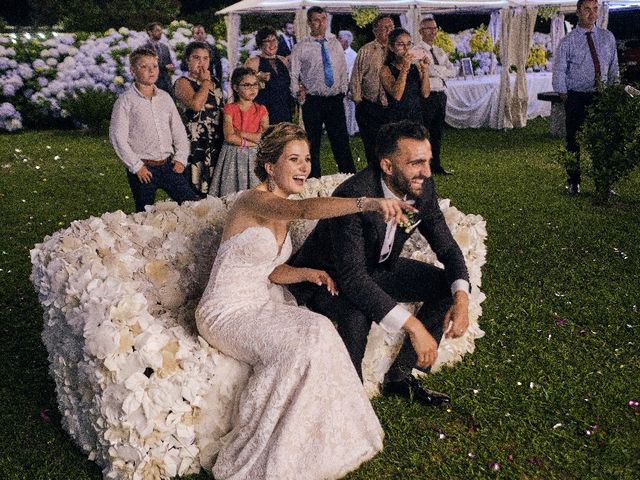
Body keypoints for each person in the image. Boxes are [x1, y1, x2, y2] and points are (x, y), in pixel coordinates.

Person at [195, 122, 417, 479]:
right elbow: (304, 211)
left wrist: (307, 273)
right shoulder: (252, 201)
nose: (304, 168)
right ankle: (266, 451)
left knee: (320, 328)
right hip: (224, 313)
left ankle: (323, 434)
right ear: (269, 166)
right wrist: (369, 202)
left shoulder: (279, 205)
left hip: (259, 302)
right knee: (299, 345)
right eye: (294, 160)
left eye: (308, 159)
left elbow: (270, 270)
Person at [289, 120, 470, 405]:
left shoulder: (422, 187)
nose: (426, 171)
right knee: (356, 310)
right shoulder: (353, 194)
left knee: (445, 287)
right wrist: (414, 326)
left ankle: (399, 378)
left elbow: (447, 248)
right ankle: (350, 399)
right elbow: (352, 279)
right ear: (387, 166)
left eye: (428, 161)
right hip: (325, 278)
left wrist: (461, 299)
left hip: (376, 269)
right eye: (416, 163)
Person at [109, 48, 199, 212]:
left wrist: (180, 158)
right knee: (144, 213)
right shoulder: (125, 101)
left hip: (169, 165)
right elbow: (117, 138)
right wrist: (137, 167)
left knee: (192, 204)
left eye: (155, 66)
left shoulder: (165, 98)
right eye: (144, 67)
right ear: (133, 71)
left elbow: (178, 130)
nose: (151, 71)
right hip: (144, 169)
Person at [552, 0, 619, 195]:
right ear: (579, 12)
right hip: (576, 97)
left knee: (604, 140)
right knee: (573, 140)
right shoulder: (568, 41)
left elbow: (613, 66)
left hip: (602, 96)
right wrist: (565, 95)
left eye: (595, 9)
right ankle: (574, 182)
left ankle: (604, 182)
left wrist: (613, 91)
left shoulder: (607, 38)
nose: (592, 14)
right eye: (587, 10)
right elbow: (559, 70)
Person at [289, 6, 356, 178]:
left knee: (341, 142)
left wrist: (342, 91)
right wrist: (298, 93)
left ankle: (348, 176)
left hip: (335, 100)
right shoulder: (301, 47)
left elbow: (342, 70)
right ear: (309, 22)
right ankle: (313, 180)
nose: (321, 24)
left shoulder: (335, 44)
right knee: (312, 144)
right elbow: (293, 74)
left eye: (323, 19)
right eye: (316, 20)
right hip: (313, 100)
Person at [174, 42, 224, 197]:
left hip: (215, 137)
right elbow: (196, 105)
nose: (201, 63)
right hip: (195, 140)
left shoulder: (215, 81)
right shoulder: (182, 82)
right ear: (188, 60)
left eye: (205, 58)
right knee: (194, 183)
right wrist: (205, 83)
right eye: (196, 58)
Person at [210, 67, 269, 196]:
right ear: (236, 87)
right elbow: (229, 137)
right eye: (246, 85)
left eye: (255, 84)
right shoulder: (230, 109)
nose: (252, 89)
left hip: (256, 156)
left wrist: (241, 133)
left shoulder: (261, 110)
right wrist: (251, 143)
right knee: (233, 191)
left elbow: (265, 136)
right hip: (234, 155)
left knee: (257, 190)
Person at [350, 14, 395, 167]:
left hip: (393, 105)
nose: (389, 31)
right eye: (385, 28)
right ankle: (373, 176)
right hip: (370, 105)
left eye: (391, 27)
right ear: (375, 31)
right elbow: (355, 77)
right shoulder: (366, 50)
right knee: (372, 146)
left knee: (392, 145)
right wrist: (358, 102)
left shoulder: (398, 51)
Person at [416, 16, 457, 175]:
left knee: (437, 132)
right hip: (427, 96)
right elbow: (427, 70)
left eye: (435, 28)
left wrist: (437, 70)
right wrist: (441, 71)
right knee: (423, 132)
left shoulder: (439, 51)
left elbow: (452, 71)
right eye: (429, 29)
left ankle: (436, 165)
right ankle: (422, 166)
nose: (433, 32)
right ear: (421, 32)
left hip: (440, 95)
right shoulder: (417, 50)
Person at [380, 28, 431, 124]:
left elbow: (425, 94)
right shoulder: (385, 69)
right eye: (400, 44)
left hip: (416, 116)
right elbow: (397, 95)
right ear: (391, 47)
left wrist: (424, 70)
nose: (406, 48)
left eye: (408, 44)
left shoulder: (415, 67)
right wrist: (404, 68)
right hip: (397, 118)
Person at [246, 26, 293, 124]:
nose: (272, 44)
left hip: (285, 111)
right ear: (260, 44)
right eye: (267, 41)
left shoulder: (283, 61)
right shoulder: (253, 62)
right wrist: (258, 77)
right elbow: (244, 87)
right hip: (264, 113)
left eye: (274, 40)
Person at [143, 22, 175, 95]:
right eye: (157, 30)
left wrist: (172, 68)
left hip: (166, 84)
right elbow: (146, 65)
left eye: (161, 30)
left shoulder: (165, 47)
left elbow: (169, 63)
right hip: (152, 83)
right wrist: (164, 67)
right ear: (150, 32)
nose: (160, 33)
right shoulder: (145, 48)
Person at [339, 30, 359, 136]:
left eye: (340, 39)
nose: (338, 41)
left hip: (348, 87)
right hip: (338, 86)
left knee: (350, 109)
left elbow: (352, 73)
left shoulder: (353, 55)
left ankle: (350, 130)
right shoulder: (337, 53)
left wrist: (348, 87)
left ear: (346, 42)